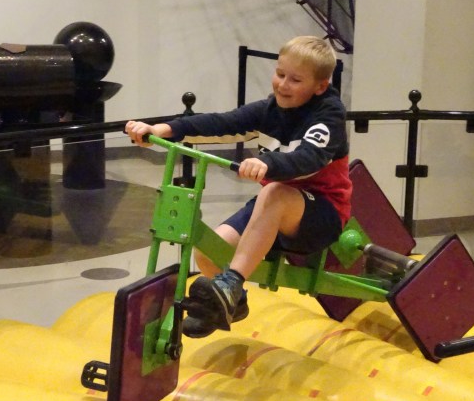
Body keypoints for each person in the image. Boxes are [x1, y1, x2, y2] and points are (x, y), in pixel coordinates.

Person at [125, 35, 352, 338]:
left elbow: (309, 158)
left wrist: (267, 164)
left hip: (322, 213)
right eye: (280, 74)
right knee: (209, 250)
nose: (283, 85)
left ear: (320, 86)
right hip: (275, 206)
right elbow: (221, 122)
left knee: (274, 192)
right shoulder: (270, 110)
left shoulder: (328, 114)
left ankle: (231, 282)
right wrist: (162, 129)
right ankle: (234, 303)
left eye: (295, 80)